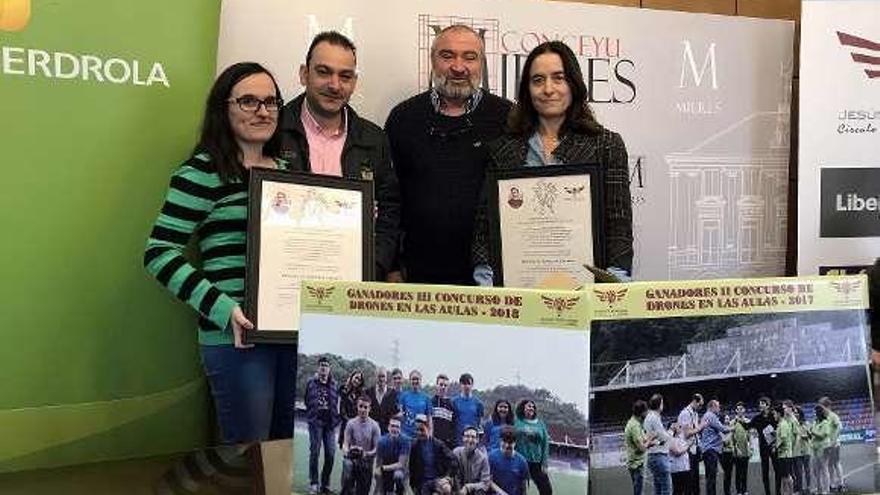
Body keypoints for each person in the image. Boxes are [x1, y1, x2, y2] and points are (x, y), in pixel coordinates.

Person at [144, 62, 295, 444]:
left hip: (293, 338)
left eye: (270, 101)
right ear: (223, 109)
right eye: (248, 101)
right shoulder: (201, 173)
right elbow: (158, 252)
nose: (263, 111)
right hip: (237, 342)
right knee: (249, 458)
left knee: (287, 458)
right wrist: (223, 309)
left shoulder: (290, 172)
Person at [471, 40, 633, 285]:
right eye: (538, 80)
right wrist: (488, 283)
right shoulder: (502, 150)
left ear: (574, 84)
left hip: (586, 293)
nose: (548, 89)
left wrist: (612, 286)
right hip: (519, 294)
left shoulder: (606, 145)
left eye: (558, 78)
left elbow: (618, 225)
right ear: (527, 90)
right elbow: (485, 228)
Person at [385, 24, 512, 285]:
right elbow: (388, 199)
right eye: (447, 55)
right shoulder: (403, 118)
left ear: (482, 64)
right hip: (416, 275)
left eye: (469, 57)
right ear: (432, 61)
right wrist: (391, 265)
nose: (458, 66)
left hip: (490, 278)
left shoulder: (508, 118)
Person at [278, 31, 400, 280]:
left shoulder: (374, 138)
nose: (334, 85)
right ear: (304, 74)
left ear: (354, 82)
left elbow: (390, 209)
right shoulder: (273, 130)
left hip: (354, 280)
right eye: (324, 72)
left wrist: (374, 265)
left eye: (345, 76)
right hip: (284, 275)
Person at [305, 357, 342, 494]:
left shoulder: (334, 384)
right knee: (314, 452)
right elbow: (306, 399)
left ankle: (325, 484)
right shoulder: (311, 382)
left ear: (329, 369)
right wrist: (312, 415)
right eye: (321, 365)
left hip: (330, 425)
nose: (323, 367)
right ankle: (314, 483)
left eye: (326, 365)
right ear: (318, 367)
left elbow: (337, 402)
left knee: (331, 454)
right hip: (315, 423)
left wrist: (336, 418)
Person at [341, 396, 382, 495]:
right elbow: (345, 444)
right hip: (352, 460)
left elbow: (377, 449)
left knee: (363, 492)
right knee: (347, 467)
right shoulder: (350, 423)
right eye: (360, 406)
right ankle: (347, 489)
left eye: (365, 407)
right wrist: (349, 450)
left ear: (369, 408)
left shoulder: (375, 426)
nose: (363, 409)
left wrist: (365, 453)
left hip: (366, 463)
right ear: (357, 407)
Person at [410, 414, 457, 495]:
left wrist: (447, 477)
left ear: (428, 428)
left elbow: (453, 460)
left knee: (446, 488)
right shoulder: (414, 446)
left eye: (422, 430)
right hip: (423, 483)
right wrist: (414, 487)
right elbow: (412, 468)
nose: (419, 433)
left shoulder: (438, 444)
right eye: (417, 430)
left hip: (438, 480)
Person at [513, 399, 551, 495]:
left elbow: (545, 443)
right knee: (519, 489)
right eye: (529, 406)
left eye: (533, 407)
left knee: (546, 490)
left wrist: (544, 463)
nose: (531, 408)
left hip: (536, 462)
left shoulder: (540, 424)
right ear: (523, 408)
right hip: (520, 460)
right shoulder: (517, 422)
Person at [748, 397, 780, 495]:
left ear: (768, 405)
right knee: (765, 471)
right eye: (759, 403)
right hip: (763, 447)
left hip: (774, 446)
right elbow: (747, 426)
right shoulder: (757, 418)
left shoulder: (773, 416)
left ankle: (778, 492)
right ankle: (767, 492)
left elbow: (780, 426)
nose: (760, 405)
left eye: (762, 403)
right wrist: (739, 420)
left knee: (777, 470)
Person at [700, 400, 733, 495]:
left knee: (710, 477)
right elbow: (723, 429)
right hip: (711, 450)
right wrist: (733, 428)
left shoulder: (707, 416)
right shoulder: (711, 416)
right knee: (711, 477)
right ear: (712, 407)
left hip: (709, 449)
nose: (719, 409)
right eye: (718, 407)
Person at [624, 399, 655, 495]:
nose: (647, 414)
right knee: (639, 492)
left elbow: (643, 441)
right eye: (646, 412)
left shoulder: (636, 423)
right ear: (641, 412)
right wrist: (650, 439)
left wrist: (651, 441)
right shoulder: (634, 427)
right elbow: (642, 448)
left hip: (636, 463)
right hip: (637, 464)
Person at [644, 394, 673, 495]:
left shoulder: (649, 416)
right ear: (660, 404)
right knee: (666, 490)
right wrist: (671, 432)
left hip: (653, 455)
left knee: (658, 489)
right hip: (659, 455)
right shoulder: (654, 418)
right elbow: (662, 437)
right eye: (662, 403)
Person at [374, 416, 411, 495]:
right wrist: (378, 471)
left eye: (397, 427)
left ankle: (401, 492)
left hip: (401, 471)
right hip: (386, 471)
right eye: (392, 426)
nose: (394, 429)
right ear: (388, 427)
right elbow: (378, 463)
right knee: (377, 474)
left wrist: (383, 468)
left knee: (398, 475)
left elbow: (401, 464)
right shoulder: (381, 441)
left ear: (400, 429)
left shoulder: (405, 441)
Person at [488, 426, 530, 495]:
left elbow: (523, 487)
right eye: (504, 441)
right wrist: (501, 493)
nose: (507, 445)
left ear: (515, 442)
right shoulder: (491, 457)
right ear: (500, 440)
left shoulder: (522, 462)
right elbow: (488, 480)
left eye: (510, 442)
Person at [677, 394, 705, 495]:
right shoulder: (685, 414)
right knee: (689, 480)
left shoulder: (695, 414)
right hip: (687, 450)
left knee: (696, 480)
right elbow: (687, 433)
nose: (700, 408)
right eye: (700, 405)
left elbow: (695, 433)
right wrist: (701, 427)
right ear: (694, 401)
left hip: (695, 449)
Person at [453, 426, 491, 495]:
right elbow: (453, 475)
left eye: (473, 437)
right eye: (467, 436)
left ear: (477, 440)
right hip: (457, 490)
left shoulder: (483, 458)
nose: (470, 440)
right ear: (462, 438)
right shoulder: (456, 453)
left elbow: (485, 483)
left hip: (474, 491)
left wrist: (468, 487)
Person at [818, 397, 843, 493]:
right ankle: (832, 484)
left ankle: (840, 483)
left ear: (827, 406)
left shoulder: (833, 416)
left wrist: (834, 440)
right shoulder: (824, 417)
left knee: (836, 463)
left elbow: (839, 428)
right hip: (826, 445)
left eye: (822, 406)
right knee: (829, 465)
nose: (821, 409)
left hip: (834, 444)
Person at [453, 373, 485, 446]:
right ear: (460, 385)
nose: (466, 386)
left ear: (472, 385)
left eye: (468, 384)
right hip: (458, 442)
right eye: (464, 384)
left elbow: (480, 424)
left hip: (473, 441)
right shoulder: (454, 402)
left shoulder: (478, 403)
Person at [399, 370, 433, 438]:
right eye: (413, 379)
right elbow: (400, 416)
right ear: (410, 381)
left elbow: (429, 419)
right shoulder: (404, 396)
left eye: (417, 379)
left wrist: (430, 435)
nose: (415, 381)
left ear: (420, 380)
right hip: (406, 435)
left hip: (421, 435)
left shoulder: (426, 398)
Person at [368, 367, 400, 434]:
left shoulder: (393, 393)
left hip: (386, 432)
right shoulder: (369, 392)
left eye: (383, 376)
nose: (381, 379)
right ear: (375, 377)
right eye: (379, 376)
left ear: (386, 378)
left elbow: (395, 412)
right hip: (371, 430)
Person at [775, 401, 798, 495]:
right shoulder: (785, 420)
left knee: (789, 474)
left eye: (785, 408)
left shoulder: (793, 420)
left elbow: (795, 435)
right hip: (787, 450)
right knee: (786, 475)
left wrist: (791, 447)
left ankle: (792, 492)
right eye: (783, 408)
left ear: (790, 408)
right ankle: (787, 492)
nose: (784, 410)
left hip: (789, 451)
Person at [339, 370, 366, 447]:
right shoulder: (343, 391)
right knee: (346, 452)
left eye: (359, 380)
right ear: (351, 378)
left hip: (359, 428)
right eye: (356, 378)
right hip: (346, 426)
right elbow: (342, 411)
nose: (357, 381)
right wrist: (351, 423)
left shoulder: (362, 394)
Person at [432, 374, 458, 448]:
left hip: (446, 445)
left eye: (445, 385)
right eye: (441, 384)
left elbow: (453, 427)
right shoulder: (430, 403)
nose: (443, 387)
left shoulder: (452, 406)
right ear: (436, 385)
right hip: (432, 443)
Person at [731, 403, 751, 495]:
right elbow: (731, 438)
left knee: (745, 471)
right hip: (737, 451)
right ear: (736, 411)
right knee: (738, 472)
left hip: (746, 450)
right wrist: (735, 448)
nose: (739, 410)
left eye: (741, 409)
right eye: (738, 409)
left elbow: (750, 437)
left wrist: (750, 447)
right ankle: (739, 491)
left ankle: (745, 489)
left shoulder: (748, 421)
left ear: (744, 410)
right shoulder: (733, 422)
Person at [810, 405, 831, 495]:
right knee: (815, 470)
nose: (813, 413)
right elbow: (812, 434)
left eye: (815, 412)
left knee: (824, 468)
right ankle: (819, 488)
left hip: (824, 448)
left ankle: (826, 490)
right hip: (815, 448)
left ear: (819, 412)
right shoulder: (815, 422)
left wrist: (812, 432)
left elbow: (823, 435)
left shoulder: (825, 422)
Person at [668, 423, 691, 495]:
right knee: (678, 490)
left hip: (685, 467)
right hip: (677, 469)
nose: (680, 428)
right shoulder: (671, 439)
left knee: (686, 489)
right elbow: (677, 451)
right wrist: (687, 446)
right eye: (679, 427)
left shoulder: (680, 437)